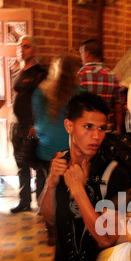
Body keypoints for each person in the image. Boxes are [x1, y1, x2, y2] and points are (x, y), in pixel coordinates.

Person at [40, 91, 131, 261]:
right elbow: (48, 217)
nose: (96, 136)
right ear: (69, 126)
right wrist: (53, 182)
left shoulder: (115, 172)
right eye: (88, 127)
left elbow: (106, 237)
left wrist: (78, 190)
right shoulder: (59, 161)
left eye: (101, 128)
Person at [31, 52, 84, 245]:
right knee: (70, 191)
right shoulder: (80, 93)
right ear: (74, 72)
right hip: (71, 150)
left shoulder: (40, 93)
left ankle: (50, 230)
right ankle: (67, 228)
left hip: (47, 151)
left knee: (49, 187)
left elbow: (39, 123)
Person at [10, 35, 47, 213]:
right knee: (20, 166)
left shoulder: (41, 74)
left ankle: (41, 203)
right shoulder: (18, 73)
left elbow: (46, 102)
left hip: (32, 128)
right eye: (19, 46)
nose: (21, 49)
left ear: (35, 51)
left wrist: (38, 124)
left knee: (38, 167)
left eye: (26, 46)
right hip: (17, 127)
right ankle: (24, 201)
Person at [78, 39, 123, 132]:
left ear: (86, 53)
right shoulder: (114, 77)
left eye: (81, 53)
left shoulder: (78, 76)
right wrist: (119, 131)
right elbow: (118, 110)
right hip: (106, 129)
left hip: (85, 130)